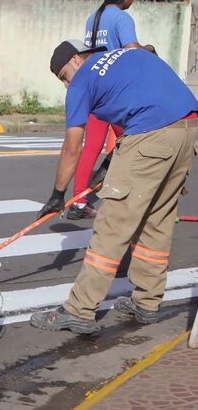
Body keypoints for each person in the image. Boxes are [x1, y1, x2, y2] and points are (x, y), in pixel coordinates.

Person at [29, 40, 198, 334]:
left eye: (64, 76)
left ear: (76, 60)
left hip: (152, 133)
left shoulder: (83, 79)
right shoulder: (125, 55)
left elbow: (73, 146)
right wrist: (112, 162)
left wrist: (58, 194)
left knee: (112, 225)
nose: (67, 85)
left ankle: (79, 309)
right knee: (156, 219)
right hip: (189, 129)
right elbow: (137, 99)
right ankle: (147, 302)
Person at [67, 0, 157, 221]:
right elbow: (132, 53)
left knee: (92, 147)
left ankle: (78, 202)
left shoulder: (92, 18)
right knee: (135, 144)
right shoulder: (122, 18)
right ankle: (142, 200)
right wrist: (148, 50)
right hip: (118, 93)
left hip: (96, 89)